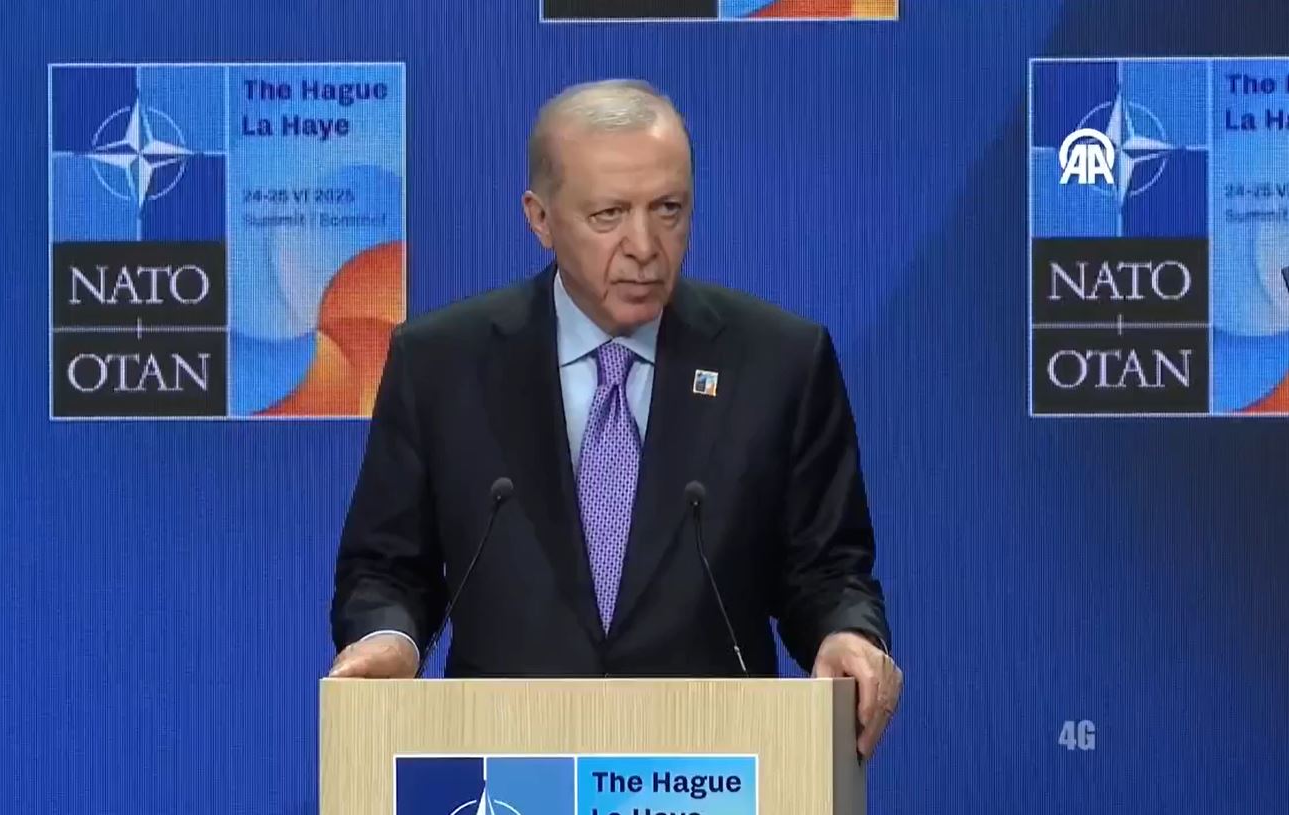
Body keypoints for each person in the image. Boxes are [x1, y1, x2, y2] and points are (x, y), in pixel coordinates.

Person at [328, 79, 902, 757]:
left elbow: (827, 569)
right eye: (608, 215)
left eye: (668, 209)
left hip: (708, 767)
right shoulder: (442, 363)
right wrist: (388, 639)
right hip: (506, 762)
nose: (645, 245)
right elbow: (388, 566)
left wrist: (846, 632)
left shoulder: (779, 362)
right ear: (540, 218)